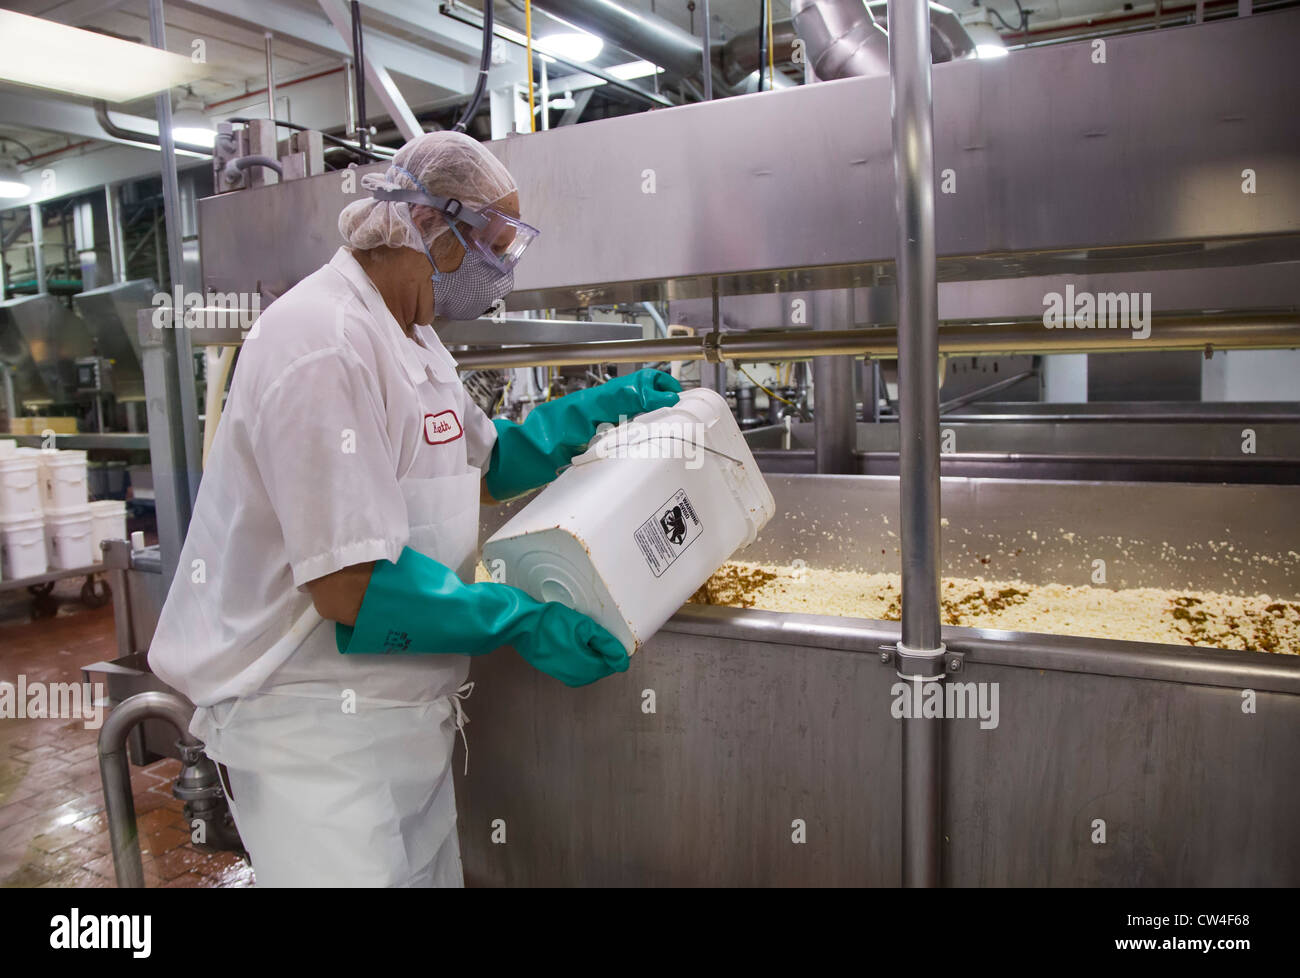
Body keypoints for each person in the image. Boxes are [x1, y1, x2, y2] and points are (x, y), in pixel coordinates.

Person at [147, 131, 681, 887]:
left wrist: (601, 408)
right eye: (494, 244)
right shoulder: (322, 342)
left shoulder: (413, 333)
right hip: (313, 733)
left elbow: (485, 464)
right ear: (430, 224)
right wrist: (518, 618)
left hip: (404, 716)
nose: (501, 269)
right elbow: (348, 588)